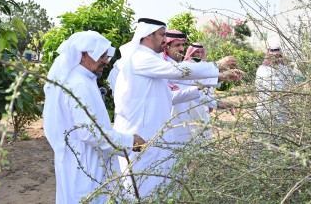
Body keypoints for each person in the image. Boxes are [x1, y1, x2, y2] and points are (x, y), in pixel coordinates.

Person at [113, 18, 243, 198]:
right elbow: (178, 71)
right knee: (140, 190)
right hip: (141, 136)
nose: (164, 40)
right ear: (148, 35)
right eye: (161, 35)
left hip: (156, 134)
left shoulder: (151, 61)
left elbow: (173, 92)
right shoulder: (140, 58)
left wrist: (219, 78)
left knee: (160, 188)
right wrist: (217, 67)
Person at [43, 31, 145, 204]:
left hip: (86, 160)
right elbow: (89, 133)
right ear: (83, 55)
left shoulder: (84, 79)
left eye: (107, 56)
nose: (106, 61)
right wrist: (129, 141)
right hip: (86, 164)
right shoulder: (79, 84)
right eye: (102, 56)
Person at [255, 44, 295, 126]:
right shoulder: (261, 69)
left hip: (281, 109)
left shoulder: (287, 70)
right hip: (264, 108)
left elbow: (292, 89)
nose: (275, 57)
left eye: (277, 55)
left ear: (280, 56)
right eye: (272, 55)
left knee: (279, 133)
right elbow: (258, 89)